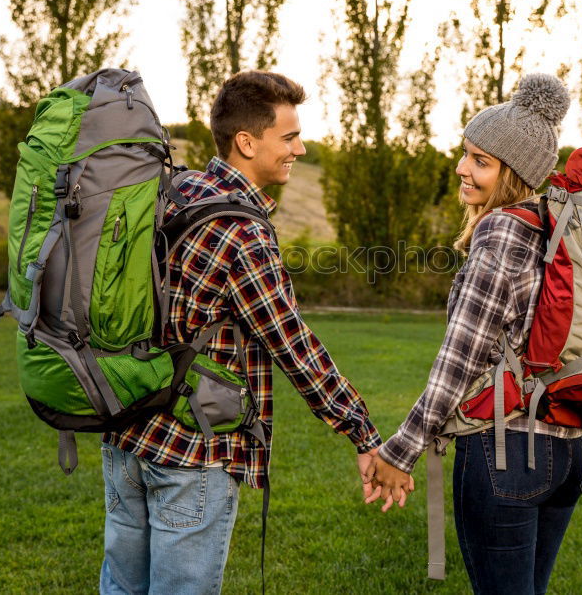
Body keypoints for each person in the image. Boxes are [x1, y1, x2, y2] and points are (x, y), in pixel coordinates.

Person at [100, 70, 382, 594]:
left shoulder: (174, 190)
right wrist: (362, 431)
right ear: (247, 142)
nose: (299, 147)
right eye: (290, 136)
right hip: (191, 450)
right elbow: (293, 344)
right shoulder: (241, 229)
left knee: (120, 588)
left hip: (125, 431)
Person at [364, 74, 582, 595]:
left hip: (504, 454)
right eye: (466, 154)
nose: (462, 169)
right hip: (566, 454)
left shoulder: (501, 233)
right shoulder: (555, 232)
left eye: (481, 161)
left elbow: (458, 361)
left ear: (513, 174)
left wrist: (399, 452)